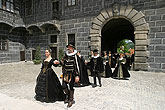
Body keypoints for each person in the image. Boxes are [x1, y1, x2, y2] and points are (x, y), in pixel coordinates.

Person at [61, 43, 80, 108]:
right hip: (65, 73)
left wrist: (77, 75)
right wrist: (60, 62)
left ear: (72, 48)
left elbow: (77, 66)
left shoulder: (75, 56)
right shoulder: (66, 55)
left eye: (69, 47)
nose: (68, 48)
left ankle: (71, 100)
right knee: (64, 86)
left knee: (71, 87)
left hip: (72, 74)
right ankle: (68, 96)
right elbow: (63, 63)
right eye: (68, 47)